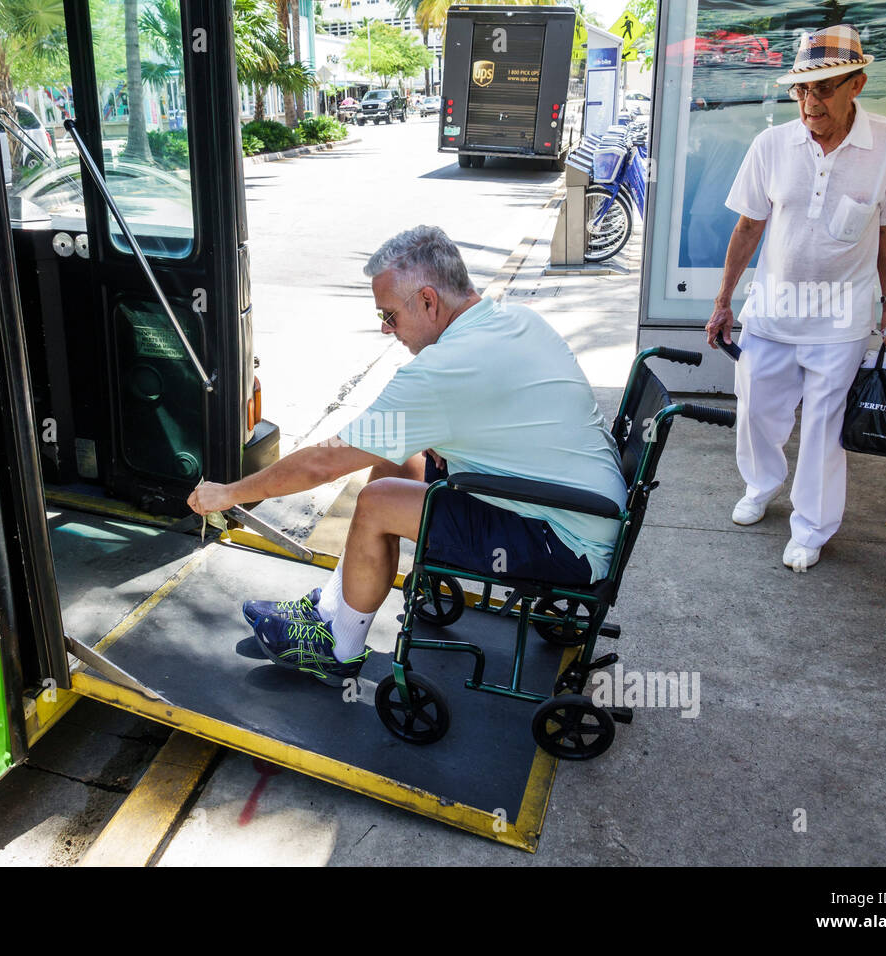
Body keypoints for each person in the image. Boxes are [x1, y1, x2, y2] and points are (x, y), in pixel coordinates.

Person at [188, 226, 626, 686]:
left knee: (377, 501)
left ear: (429, 301)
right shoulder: (515, 320)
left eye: (390, 315)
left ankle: (339, 647)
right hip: (582, 507)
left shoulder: (440, 374)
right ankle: (334, 604)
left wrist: (230, 493)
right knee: (394, 460)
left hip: (563, 540)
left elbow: (323, 463)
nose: (384, 328)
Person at [705, 24, 886, 572]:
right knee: (756, 410)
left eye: (825, 88)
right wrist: (723, 300)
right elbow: (748, 228)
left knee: (827, 428)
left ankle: (812, 526)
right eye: (802, 89)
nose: (811, 101)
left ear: (857, 85)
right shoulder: (771, 145)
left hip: (841, 317)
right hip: (773, 311)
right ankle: (761, 486)